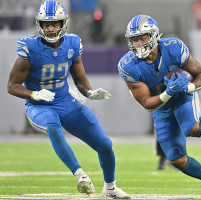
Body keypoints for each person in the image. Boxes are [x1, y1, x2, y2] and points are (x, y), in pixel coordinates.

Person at [117, 14, 201, 200]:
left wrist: (187, 87)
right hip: (161, 106)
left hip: (183, 96)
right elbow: (147, 104)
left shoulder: (173, 47)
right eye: (134, 40)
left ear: (154, 36)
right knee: (177, 159)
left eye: (143, 38)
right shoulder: (127, 66)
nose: (138, 43)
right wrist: (168, 93)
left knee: (192, 128)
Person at [6, 1, 130, 199]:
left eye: (55, 23)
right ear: (40, 25)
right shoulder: (29, 47)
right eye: (47, 24)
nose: (51, 28)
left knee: (105, 145)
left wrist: (89, 92)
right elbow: (12, 85)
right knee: (53, 126)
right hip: (40, 106)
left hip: (66, 102)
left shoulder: (72, 44)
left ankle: (110, 187)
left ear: (63, 23)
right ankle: (80, 175)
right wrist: (33, 94)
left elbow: (80, 79)